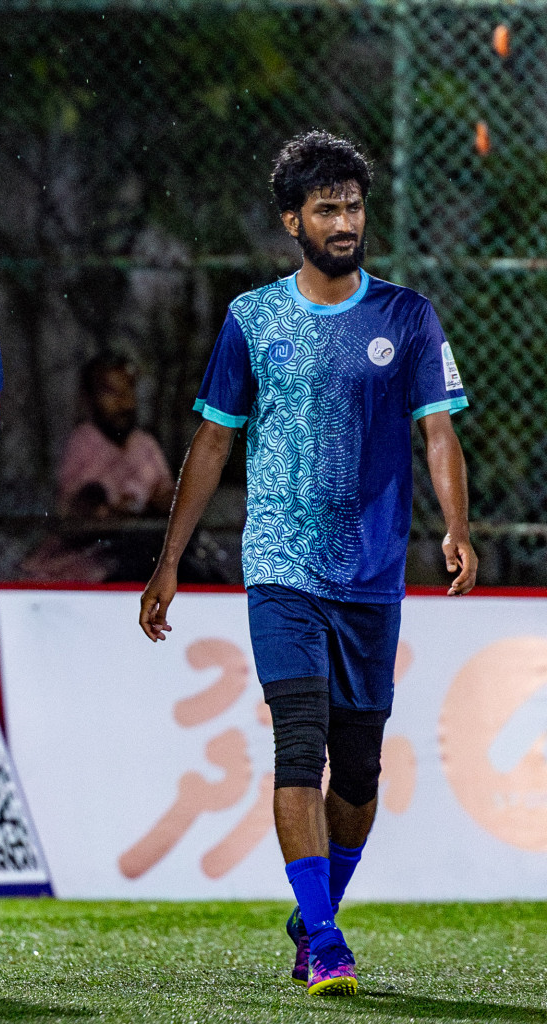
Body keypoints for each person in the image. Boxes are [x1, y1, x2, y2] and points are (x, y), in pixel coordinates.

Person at [138, 131, 476, 997]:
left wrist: (455, 528)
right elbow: (214, 438)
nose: (344, 221)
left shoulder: (406, 315)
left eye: (354, 206)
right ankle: (324, 938)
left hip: (371, 575)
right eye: (326, 208)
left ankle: (311, 907)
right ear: (292, 220)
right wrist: (169, 560)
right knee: (300, 746)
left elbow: (439, 429)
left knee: (358, 773)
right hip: (280, 566)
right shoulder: (254, 318)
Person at [58, 352, 172, 518]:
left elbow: (167, 491)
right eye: (111, 392)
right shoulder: (83, 441)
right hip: (97, 541)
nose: (123, 401)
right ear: (91, 398)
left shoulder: (145, 443)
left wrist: (163, 500)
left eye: (128, 390)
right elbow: (69, 505)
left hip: (147, 537)